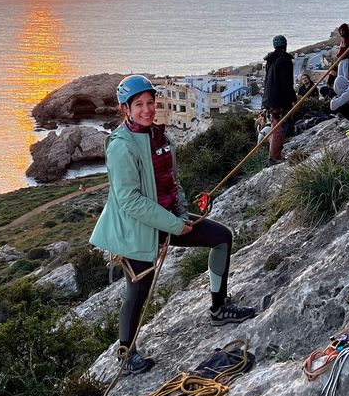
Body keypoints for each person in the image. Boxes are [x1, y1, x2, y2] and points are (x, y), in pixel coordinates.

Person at [90, 75, 256, 375]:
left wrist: (180, 211)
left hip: (168, 219)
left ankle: (219, 309)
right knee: (138, 290)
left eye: (150, 103)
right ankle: (126, 354)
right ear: (125, 108)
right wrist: (174, 224)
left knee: (221, 238)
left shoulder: (158, 136)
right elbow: (130, 200)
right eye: (138, 105)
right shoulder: (120, 146)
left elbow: (170, 180)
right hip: (137, 229)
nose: (147, 110)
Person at [263, 34, 296, 164]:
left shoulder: (271, 60)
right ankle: (274, 157)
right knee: (279, 127)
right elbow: (285, 83)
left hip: (270, 99)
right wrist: (292, 99)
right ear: (285, 45)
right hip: (279, 100)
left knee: (276, 125)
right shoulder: (283, 60)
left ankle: (275, 154)